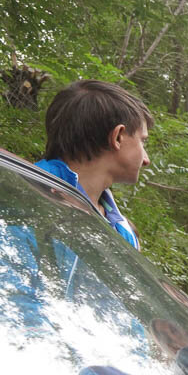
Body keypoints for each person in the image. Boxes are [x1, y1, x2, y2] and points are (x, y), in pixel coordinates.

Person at [35, 79, 152, 249]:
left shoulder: (124, 232)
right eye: (142, 141)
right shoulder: (28, 195)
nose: (146, 160)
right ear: (118, 137)